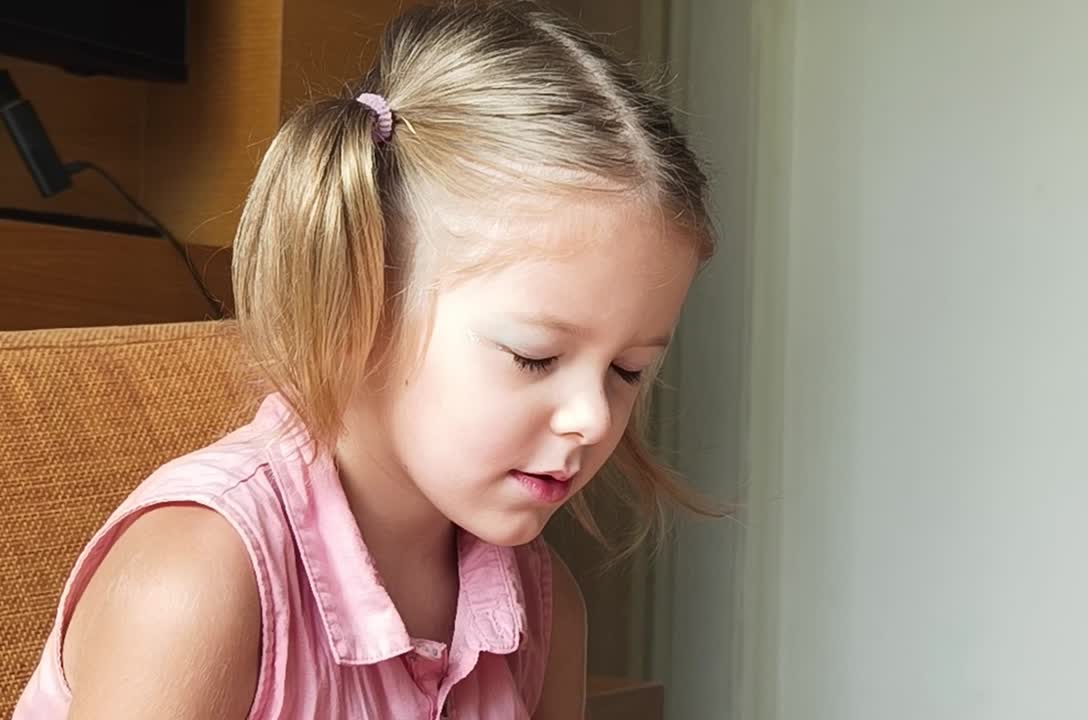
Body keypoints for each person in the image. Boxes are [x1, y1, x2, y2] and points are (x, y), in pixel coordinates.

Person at [13, 2, 715, 718]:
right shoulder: (200, 579)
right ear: (364, 296)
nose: (594, 418)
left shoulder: (544, 607)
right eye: (535, 357)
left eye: (628, 371)